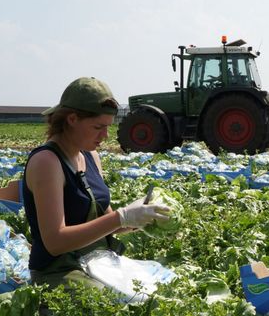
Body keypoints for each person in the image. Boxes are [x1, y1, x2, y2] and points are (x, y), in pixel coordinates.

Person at [22, 77, 169, 288]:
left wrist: (138, 219)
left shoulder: (90, 156)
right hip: (60, 271)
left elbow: (106, 222)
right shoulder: (47, 161)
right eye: (98, 127)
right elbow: (55, 242)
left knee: (158, 287)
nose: (105, 135)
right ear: (72, 119)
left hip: (98, 262)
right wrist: (122, 217)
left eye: (108, 127)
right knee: (121, 305)